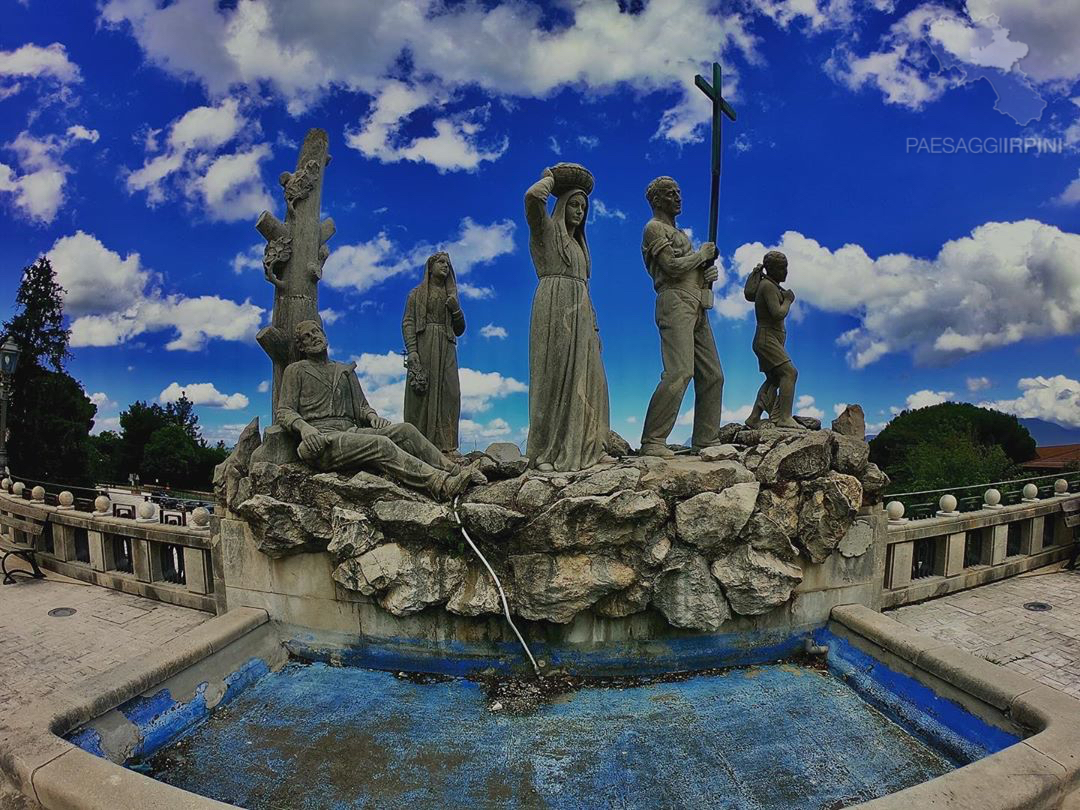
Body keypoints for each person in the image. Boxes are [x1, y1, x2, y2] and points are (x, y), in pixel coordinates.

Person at [276, 320, 483, 500]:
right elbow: (284, 411)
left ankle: (457, 471)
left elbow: (362, 406)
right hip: (322, 440)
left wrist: (373, 417)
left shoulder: (344, 370)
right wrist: (304, 429)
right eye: (306, 337)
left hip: (351, 432)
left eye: (316, 332)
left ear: (325, 335)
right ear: (301, 347)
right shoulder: (296, 371)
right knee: (380, 443)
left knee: (406, 430)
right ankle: (442, 484)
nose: (313, 338)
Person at [524, 164, 611, 472]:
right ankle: (547, 452)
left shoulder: (579, 246)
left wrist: (595, 327)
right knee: (554, 377)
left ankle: (590, 446)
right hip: (554, 304)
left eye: (583, 207)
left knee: (590, 379)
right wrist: (549, 178)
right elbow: (533, 198)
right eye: (574, 204)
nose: (579, 211)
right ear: (562, 206)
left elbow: (585, 287)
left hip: (582, 311)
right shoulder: (546, 231)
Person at [639, 176, 725, 456]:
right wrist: (701, 256)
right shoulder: (653, 229)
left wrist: (705, 274)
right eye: (671, 193)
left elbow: (692, 271)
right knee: (679, 372)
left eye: (679, 192)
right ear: (656, 200)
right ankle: (653, 440)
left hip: (696, 303)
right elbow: (672, 267)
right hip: (674, 300)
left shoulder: (682, 235)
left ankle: (706, 438)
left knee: (713, 375)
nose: (678, 197)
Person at [402, 252, 465, 455]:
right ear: (430, 267)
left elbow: (460, 329)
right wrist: (412, 350)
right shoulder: (415, 294)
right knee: (421, 395)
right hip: (424, 344)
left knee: (451, 392)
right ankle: (418, 445)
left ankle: (447, 445)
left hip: (446, 346)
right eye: (441, 262)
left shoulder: (452, 296)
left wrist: (455, 310)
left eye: (448, 263)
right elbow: (408, 322)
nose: (445, 266)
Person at [744, 250, 803, 429]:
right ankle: (784, 417)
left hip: (770, 339)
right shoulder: (768, 287)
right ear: (773, 269)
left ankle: (754, 417)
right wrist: (788, 301)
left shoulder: (771, 285)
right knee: (789, 373)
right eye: (782, 268)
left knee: (774, 380)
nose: (786, 272)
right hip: (766, 337)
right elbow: (777, 314)